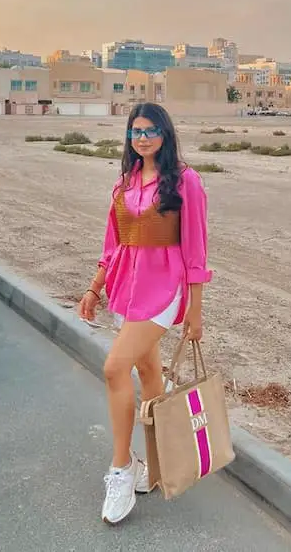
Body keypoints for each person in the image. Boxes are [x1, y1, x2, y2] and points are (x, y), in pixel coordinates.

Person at [78, 102, 212, 525]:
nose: (144, 137)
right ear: (129, 137)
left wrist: (195, 309)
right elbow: (113, 244)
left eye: (152, 130)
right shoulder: (124, 184)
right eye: (136, 131)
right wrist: (94, 287)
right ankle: (158, 463)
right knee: (149, 374)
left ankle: (121, 470)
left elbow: (195, 250)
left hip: (163, 290)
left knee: (115, 369)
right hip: (126, 291)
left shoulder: (185, 182)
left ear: (165, 135)